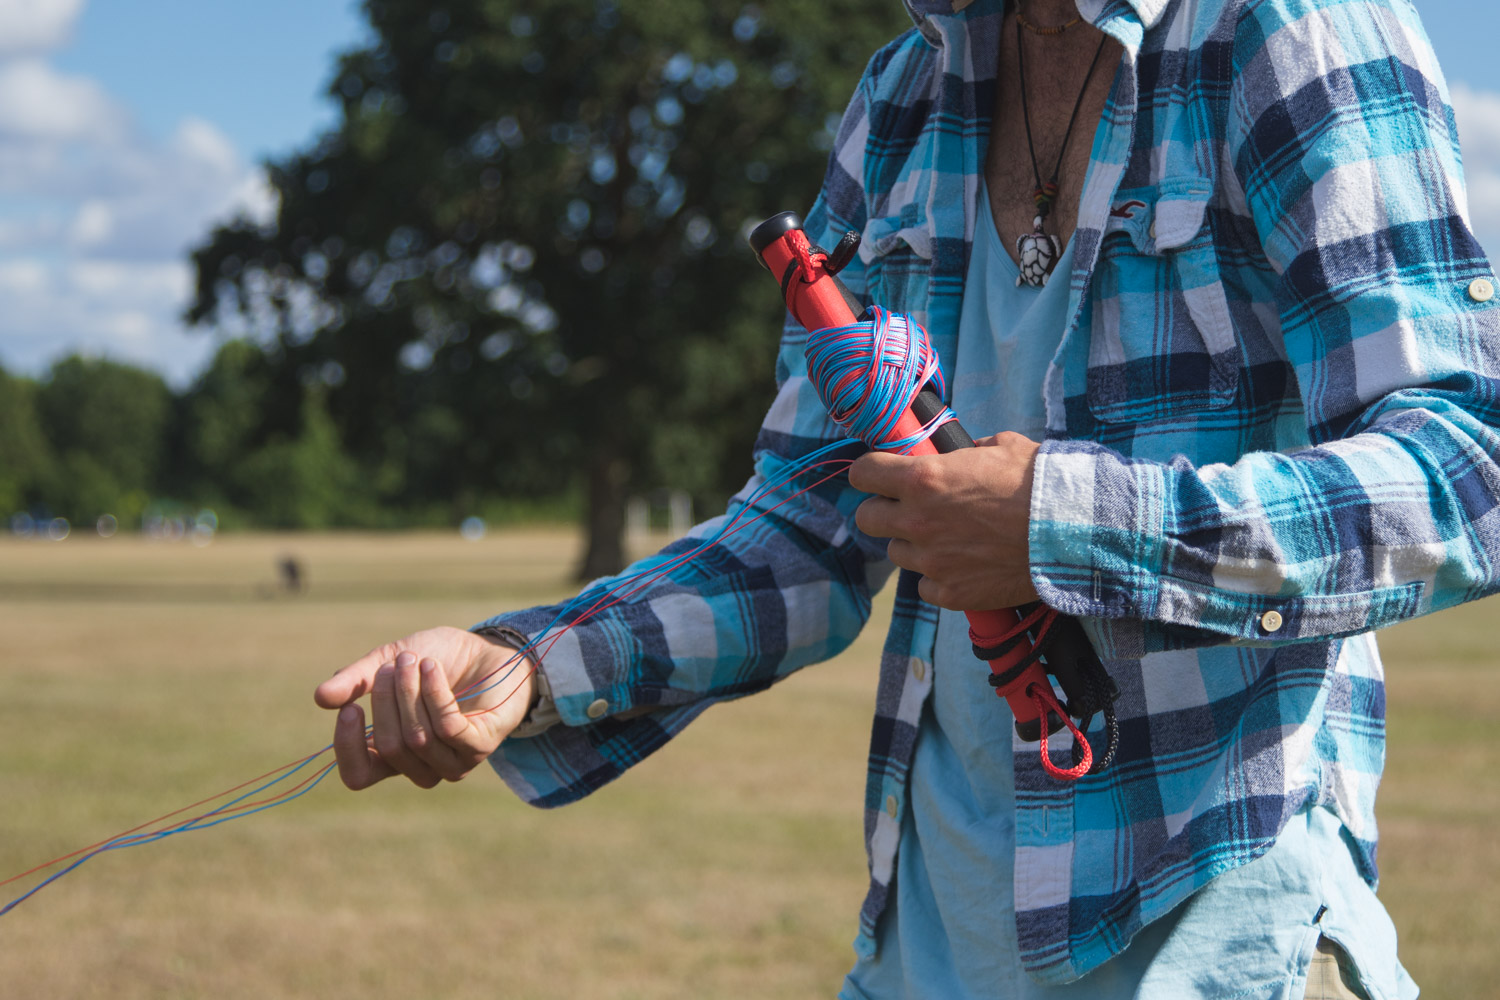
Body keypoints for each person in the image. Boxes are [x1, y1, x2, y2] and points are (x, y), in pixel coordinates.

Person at [315, 0, 1500, 995]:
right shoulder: (904, 95)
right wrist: (529, 664)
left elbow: (1466, 468)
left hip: (1212, 943)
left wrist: (1060, 526)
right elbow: (806, 525)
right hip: (926, 945)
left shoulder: (1292, 31)